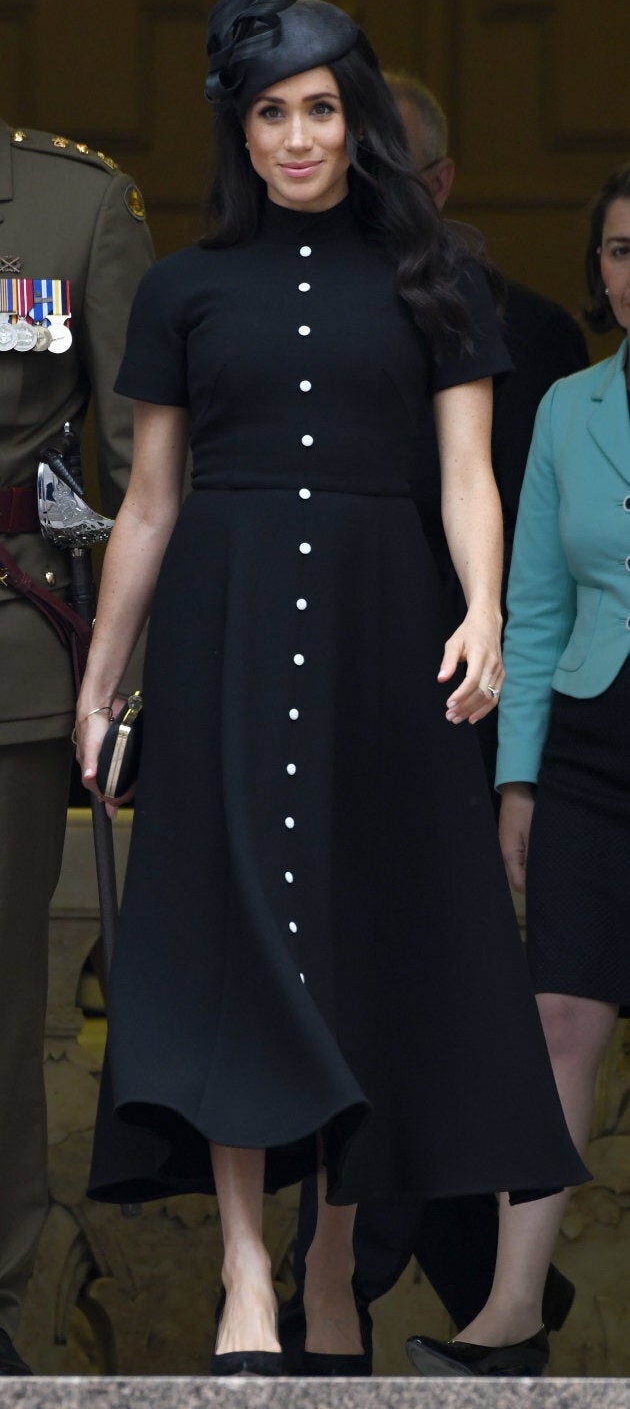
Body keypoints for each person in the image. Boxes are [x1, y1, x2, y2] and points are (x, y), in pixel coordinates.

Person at [75, 0, 586, 1379]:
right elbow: (153, 501)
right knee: (235, 954)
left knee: (368, 953)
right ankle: (245, 1267)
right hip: (223, 638)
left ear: (353, 124)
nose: (296, 136)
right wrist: (103, 675)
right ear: (237, 134)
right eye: (268, 113)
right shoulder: (181, 288)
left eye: (318, 109)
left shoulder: (438, 277)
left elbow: (471, 474)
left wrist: (482, 608)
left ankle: (325, 1264)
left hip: (386, 639)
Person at [284, 73, 588, 1376]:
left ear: (444, 184)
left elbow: (532, 532)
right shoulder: (301, 315)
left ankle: (391, 1278)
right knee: (340, 996)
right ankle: (419, 1278)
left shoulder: (530, 331)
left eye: (394, 170)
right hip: (335, 699)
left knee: (448, 997)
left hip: (477, 707)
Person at [406, 166, 630, 1375]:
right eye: (621, 250)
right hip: (595, 741)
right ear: (599, 270)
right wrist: (521, 780)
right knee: (554, 1022)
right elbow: (532, 611)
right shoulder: (573, 407)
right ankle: (509, 1314)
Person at [0, 0, 154, 1379]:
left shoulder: (70, 204)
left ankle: (0, 1286)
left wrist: (127, 680)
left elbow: (131, 467)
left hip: (10, 660)